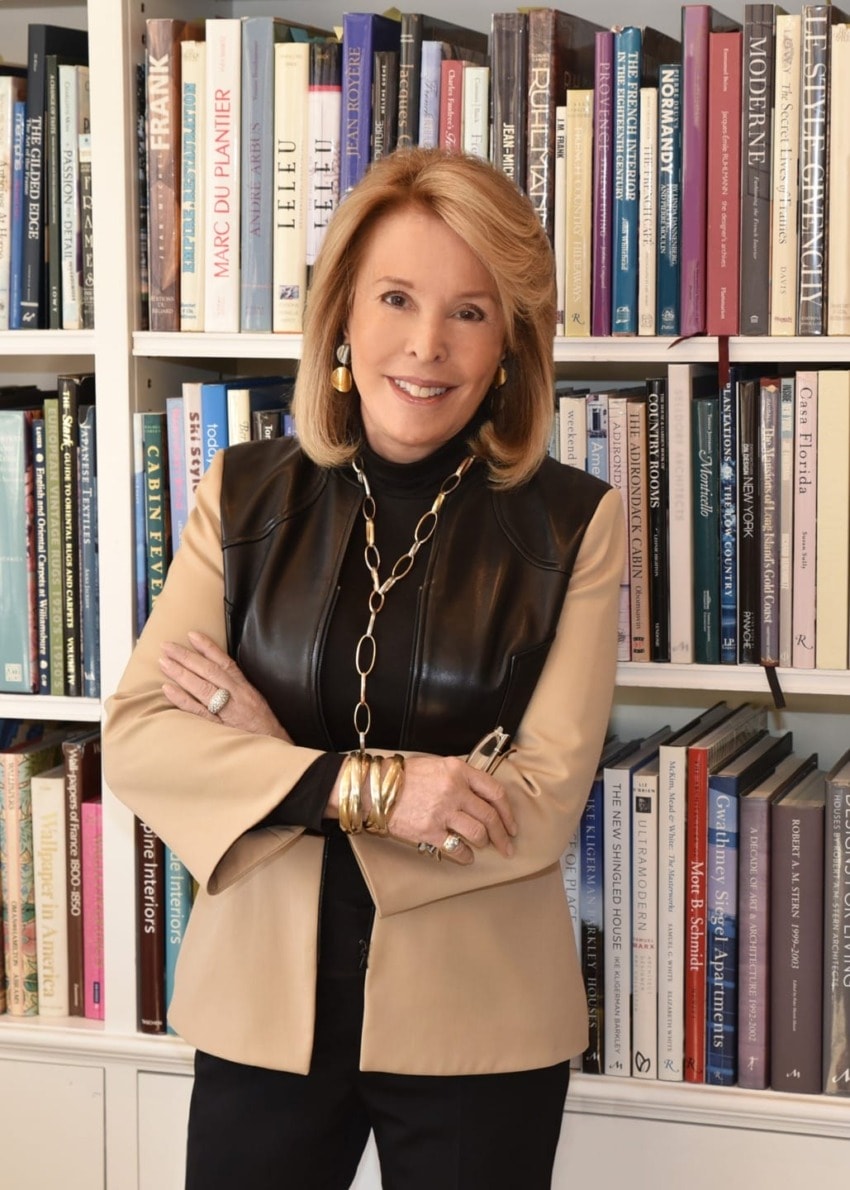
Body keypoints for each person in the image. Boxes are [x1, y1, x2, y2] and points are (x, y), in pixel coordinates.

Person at [103, 147, 625, 1190]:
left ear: (510, 344)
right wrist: (383, 786)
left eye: (471, 312)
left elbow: (537, 800)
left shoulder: (574, 522)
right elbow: (142, 736)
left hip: (480, 1025)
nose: (426, 345)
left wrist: (275, 766)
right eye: (395, 297)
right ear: (342, 313)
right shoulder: (243, 494)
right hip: (261, 1009)